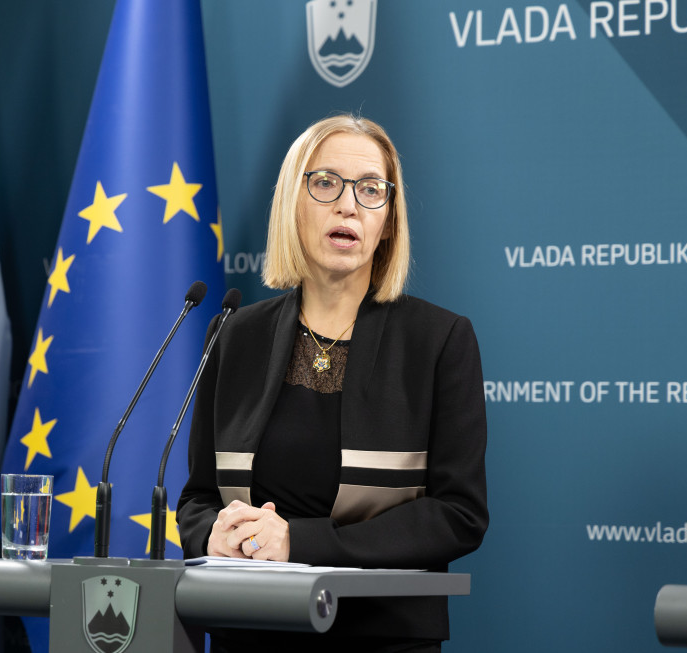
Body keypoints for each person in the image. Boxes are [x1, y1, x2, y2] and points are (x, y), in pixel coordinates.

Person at [177, 114, 488, 652]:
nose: (349, 205)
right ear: (291, 202)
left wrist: (300, 541)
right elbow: (199, 496)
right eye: (325, 183)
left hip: (380, 637)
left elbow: (459, 514)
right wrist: (213, 534)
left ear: (388, 221)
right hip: (250, 631)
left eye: (371, 190)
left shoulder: (438, 340)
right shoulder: (234, 335)